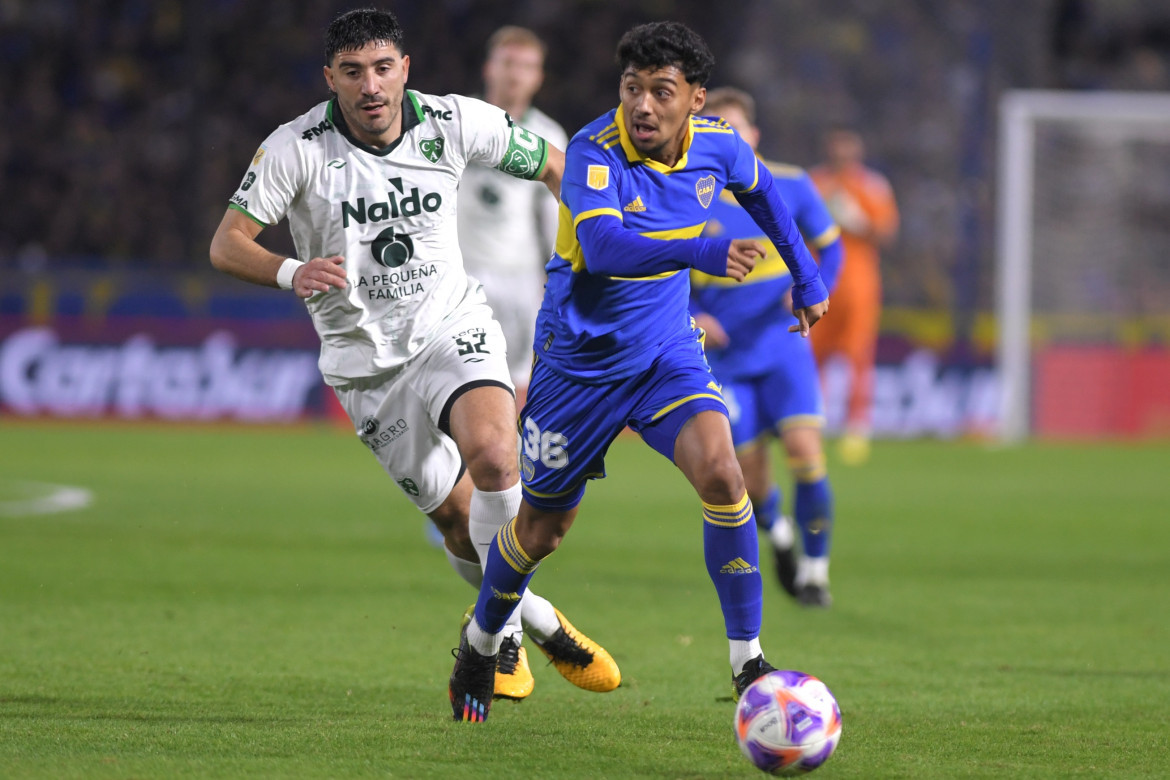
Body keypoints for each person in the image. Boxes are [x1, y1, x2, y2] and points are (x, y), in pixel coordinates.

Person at [208, 8, 619, 711]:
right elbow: (228, 243)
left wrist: (600, 235)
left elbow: (554, 166)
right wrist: (289, 271)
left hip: (452, 326)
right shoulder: (295, 148)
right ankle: (540, 621)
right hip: (365, 365)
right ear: (330, 78)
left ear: (405, 67)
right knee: (460, 524)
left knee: (496, 456)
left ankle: (496, 640)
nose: (370, 85)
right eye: (353, 72)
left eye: (382, 67)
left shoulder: (456, 121)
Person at [449, 21, 829, 723]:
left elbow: (766, 192)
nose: (643, 106)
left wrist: (806, 276)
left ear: (696, 99)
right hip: (578, 370)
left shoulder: (719, 143)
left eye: (661, 91)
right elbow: (603, 244)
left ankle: (748, 661)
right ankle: (479, 641)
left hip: (664, 356)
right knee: (540, 531)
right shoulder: (594, 151)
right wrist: (702, 248)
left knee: (723, 474)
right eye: (632, 90)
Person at [690, 87, 844, 608]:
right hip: (727, 357)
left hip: (784, 347)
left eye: (735, 130)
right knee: (751, 479)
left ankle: (816, 572)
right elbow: (662, 271)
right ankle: (778, 535)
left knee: (806, 453)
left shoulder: (793, 184)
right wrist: (695, 316)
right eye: (717, 130)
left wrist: (811, 287)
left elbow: (833, 247)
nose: (727, 139)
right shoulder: (690, 193)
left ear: (753, 135)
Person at [457, 26, 567, 411]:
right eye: (508, 63)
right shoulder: (458, 120)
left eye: (526, 66)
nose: (515, 74)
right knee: (460, 382)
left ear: (538, 77)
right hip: (462, 276)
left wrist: (555, 278)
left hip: (521, 279)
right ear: (489, 67)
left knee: (519, 384)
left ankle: (512, 469)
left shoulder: (548, 134)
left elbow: (556, 219)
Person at [808, 128, 899, 465]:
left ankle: (857, 429)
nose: (842, 153)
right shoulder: (814, 182)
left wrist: (856, 220)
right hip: (819, 283)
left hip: (859, 286)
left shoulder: (872, 186)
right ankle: (810, 423)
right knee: (812, 356)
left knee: (858, 357)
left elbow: (886, 233)